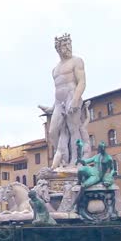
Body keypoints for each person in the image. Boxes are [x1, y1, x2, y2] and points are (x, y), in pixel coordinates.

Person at [38, 33, 89, 169]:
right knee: (52, 131)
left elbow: (82, 82)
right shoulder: (55, 69)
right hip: (59, 102)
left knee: (73, 130)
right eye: (64, 45)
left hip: (72, 97)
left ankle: (74, 161)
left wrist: (75, 99)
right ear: (58, 48)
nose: (68, 47)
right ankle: (63, 158)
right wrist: (51, 108)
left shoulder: (77, 61)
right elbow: (58, 90)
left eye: (69, 44)